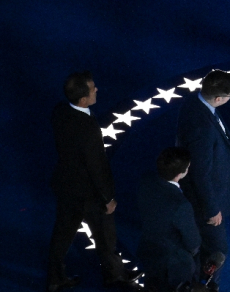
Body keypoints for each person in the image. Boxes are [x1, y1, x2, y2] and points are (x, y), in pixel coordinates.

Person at [47, 71, 143, 292]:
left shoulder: (60, 111)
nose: (96, 89)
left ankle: (55, 278)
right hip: (89, 193)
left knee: (62, 234)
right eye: (92, 89)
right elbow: (96, 166)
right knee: (105, 236)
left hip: (66, 185)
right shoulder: (87, 127)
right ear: (83, 100)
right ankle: (115, 275)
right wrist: (107, 198)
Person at [176, 70, 230, 288]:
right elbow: (200, 172)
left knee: (205, 247)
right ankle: (208, 286)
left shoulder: (197, 104)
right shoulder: (202, 127)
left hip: (204, 197)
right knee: (216, 250)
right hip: (206, 204)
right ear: (218, 98)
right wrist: (211, 209)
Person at [137, 147, 202, 292]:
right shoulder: (181, 205)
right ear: (181, 173)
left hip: (148, 252)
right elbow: (193, 242)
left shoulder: (146, 181)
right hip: (173, 265)